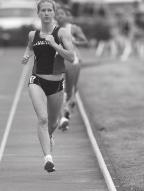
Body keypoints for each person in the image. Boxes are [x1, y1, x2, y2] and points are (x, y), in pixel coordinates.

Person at [21, 0, 74, 173]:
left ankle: (49, 135)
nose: (46, 13)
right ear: (38, 13)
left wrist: (54, 44)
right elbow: (30, 47)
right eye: (43, 10)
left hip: (56, 83)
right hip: (36, 80)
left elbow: (71, 57)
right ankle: (48, 158)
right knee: (42, 119)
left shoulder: (62, 33)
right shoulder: (32, 34)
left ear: (53, 12)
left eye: (49, 10)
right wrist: (26, 55)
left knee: (53, 122)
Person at [56, 5, 88, 131]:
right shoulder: (52, 28)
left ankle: (68, 110)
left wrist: (75, 41)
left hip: (72, 61)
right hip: (57, 62)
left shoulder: (73, 28)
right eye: (57, 14)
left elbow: (85, 41)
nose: (59, 16)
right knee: (58, 90)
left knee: (70, 90)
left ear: (67, 16)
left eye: (62, 14)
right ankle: (63, 117)